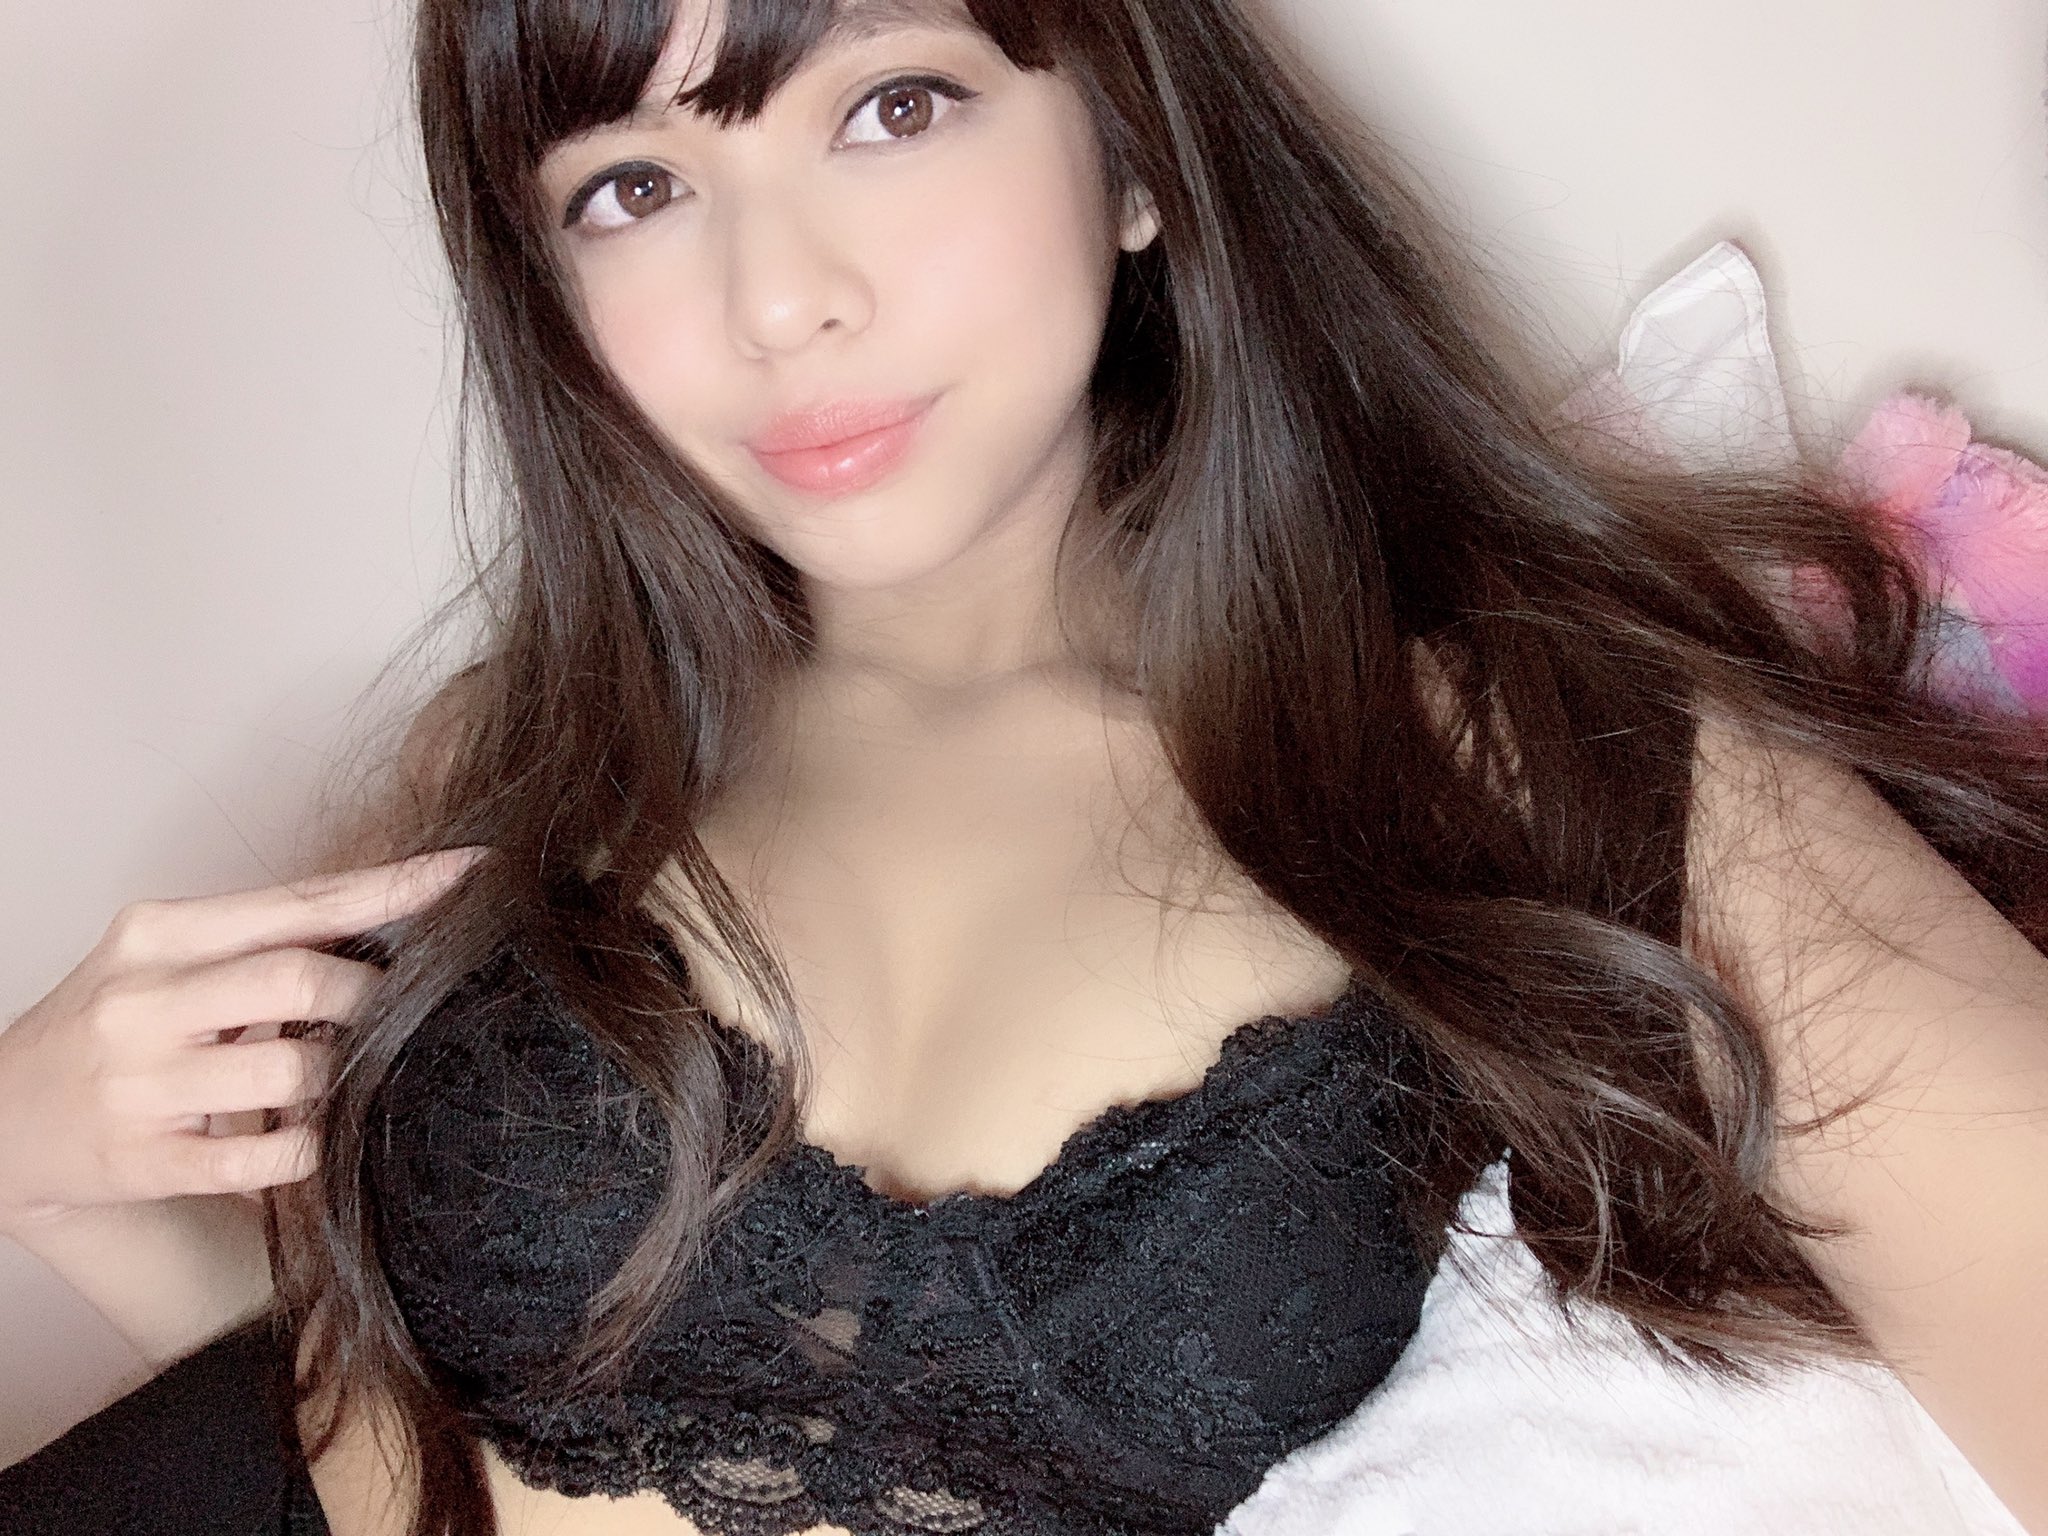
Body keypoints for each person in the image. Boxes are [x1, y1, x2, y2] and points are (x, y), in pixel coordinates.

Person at [3, 0, 2046, 1532]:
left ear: (1135, 155)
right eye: (633, 187)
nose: (778, 300)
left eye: (892, 108)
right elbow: (352, 1419)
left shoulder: (1536, 749)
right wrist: (38, 1160)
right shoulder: (522, 774)